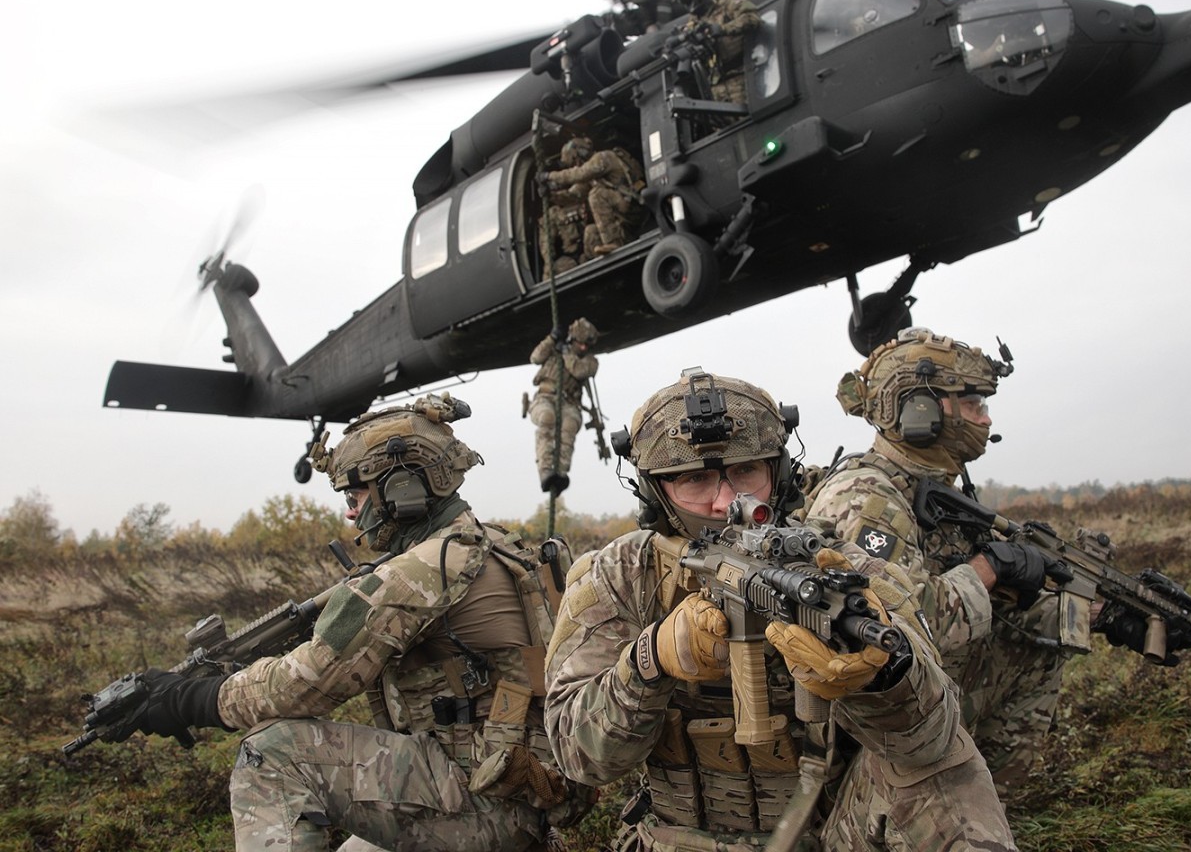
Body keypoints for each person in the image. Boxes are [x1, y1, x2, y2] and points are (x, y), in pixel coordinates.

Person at [544, 368, 1021, 851]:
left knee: (947, 771)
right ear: (654, 492)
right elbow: (576, 756)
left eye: (747, 471)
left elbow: (933, 739)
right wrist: (648, 662)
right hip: (675, 837)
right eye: (695, 478)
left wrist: (882, 678)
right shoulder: (620, 575)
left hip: (831, 833)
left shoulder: (839, 564)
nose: (728, 500)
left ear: (779, 472)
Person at [126, 394, 590, 851]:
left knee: (271, 751)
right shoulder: (494, 545)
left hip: (483, 806)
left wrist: (190, 699)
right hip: (520, 790)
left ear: (401, 488)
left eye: (356, 493)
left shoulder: (422, 570)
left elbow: (304, 685)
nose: (351, 511)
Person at [801, 327, 1073, 796]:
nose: (986, 418)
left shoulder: (929, 485)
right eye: (974, 404)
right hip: (872, 725)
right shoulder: (868, 496)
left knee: (1046, 624)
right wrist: (990, 569)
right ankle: (939, 802)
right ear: (920, 410)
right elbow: (904, 626)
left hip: (922, 698)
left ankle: (983, 796)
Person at [527, 317, 600, 494]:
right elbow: (535, 357)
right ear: (572, 339)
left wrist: (566, 352)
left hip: (570, 404)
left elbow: (579, 371)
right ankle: (545, 470)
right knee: (547, 418)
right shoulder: (553, 351)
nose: (583, 348)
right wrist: (551, 339)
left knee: (570, 425)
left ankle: (560, 473)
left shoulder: (591, 362)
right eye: (580, 343)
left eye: (586, 345)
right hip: (544, 398)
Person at [540, 136, 645, 259]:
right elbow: (574, 196)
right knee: (590, 232)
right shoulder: (592, 177)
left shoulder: (603, 158)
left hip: (635, 208)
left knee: (596, 195)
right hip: (624, 221)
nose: (575, 166)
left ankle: (614, 243)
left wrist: (549, 176)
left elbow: (579, 174)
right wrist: (551, 195)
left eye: (575, 162)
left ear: (582, 153)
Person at [672, 0, 760, 105]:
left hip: (741, 77)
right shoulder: (694, 20)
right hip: (716, 86)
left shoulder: (729, 3)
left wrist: (723, 29)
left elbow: (752, 18)